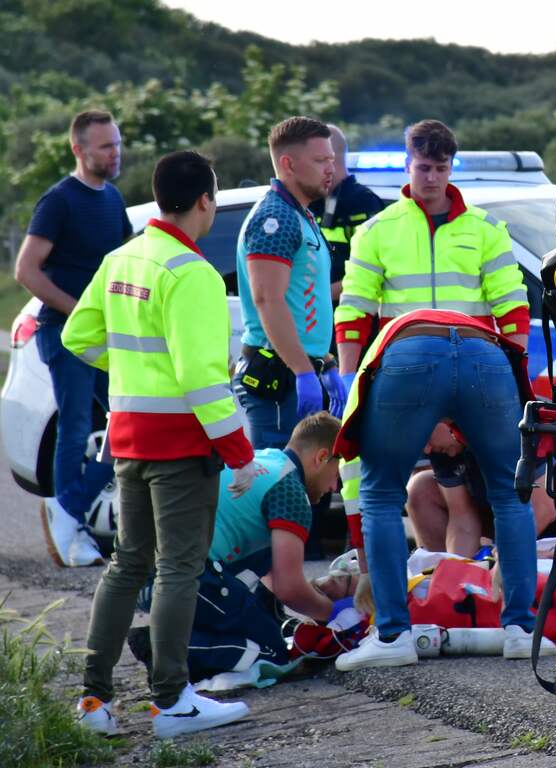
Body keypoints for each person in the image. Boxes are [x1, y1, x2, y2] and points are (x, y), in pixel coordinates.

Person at [62, 150, 255, 738]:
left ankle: (93, 702)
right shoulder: (192, 272)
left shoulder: (122, 258)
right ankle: (172, 701)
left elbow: (77, 337)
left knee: (127, 564)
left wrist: (133, 378)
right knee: (178, 568)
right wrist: (240, 454)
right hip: (179, 446)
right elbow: (202, 381)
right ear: (205, 201)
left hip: (128, 439)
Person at [333, 119, 531, 560]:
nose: (432, 178)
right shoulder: (378, 231)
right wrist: (348, 378)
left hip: (474, 373)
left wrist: (514, 376)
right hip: (403, 373)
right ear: (408, 165)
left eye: (441, 168)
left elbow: (513, 307)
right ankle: (367, 565)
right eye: (423, 167)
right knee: (361, 472)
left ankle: (482, 579)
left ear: (451, 167)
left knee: (504, 481)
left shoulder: (486, 229)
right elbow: (354, 310)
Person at [332, 309, 553, 671]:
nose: (426, 447)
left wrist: (368, 568)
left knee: (381, 496)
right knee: (511, 494)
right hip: (487, 353)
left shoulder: (374, 359)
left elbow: (356, 478)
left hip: (408, 349)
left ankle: (392, 637)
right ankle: (523, 631)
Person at [127, 412, 351, 682]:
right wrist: (335, 615)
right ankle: (166, 649)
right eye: (336, 474)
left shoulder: (264, 460)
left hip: (147, 573)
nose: (334, 487)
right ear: (321, 457)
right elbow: (288, 588)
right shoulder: (291, 491)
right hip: (182, 576)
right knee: (273, 652)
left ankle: (180, 638)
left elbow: (270, 577)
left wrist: (301, 601)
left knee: (264, 616)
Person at [15, 109, 132, 567]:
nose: (115, 153)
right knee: (77, 428)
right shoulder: (58, 201)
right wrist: (79, 312)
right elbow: (26, 270)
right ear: (79, 150)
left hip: (106, 337)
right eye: (106, 146)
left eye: (117, 143)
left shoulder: (113, 198)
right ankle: (71, 532)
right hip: (64, 334)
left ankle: (67, 510)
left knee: (127, 420)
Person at [235, 116, 348, 557]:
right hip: (278, 376)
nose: (330, 168)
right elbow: (269, 300)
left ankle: (283, 589)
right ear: (288, 163)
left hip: (299, 371)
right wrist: (303, 371)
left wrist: (327, 364)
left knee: (297, 499)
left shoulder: (300, 215)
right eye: (320, 160)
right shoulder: (275, 217)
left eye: (332, 159)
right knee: (278, 498)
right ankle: (269, 592)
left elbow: (307, 302)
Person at [407, 423, 556, 556]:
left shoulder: (503, 424)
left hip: (553, 518)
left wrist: (504, 556)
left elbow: (543, 509)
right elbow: (461, 518)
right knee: (420, 486)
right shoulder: (440, 445)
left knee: (505, 563)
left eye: (426, 437)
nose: (426, 449)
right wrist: (458, 567)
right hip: (496, 516)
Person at [308, 124, 383, 303]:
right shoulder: (313, 201)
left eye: (313, 160)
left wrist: (317, 296)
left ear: (329, 158)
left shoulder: (363, 203)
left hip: (351, 314)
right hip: (316, 313)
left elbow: (376, 271)